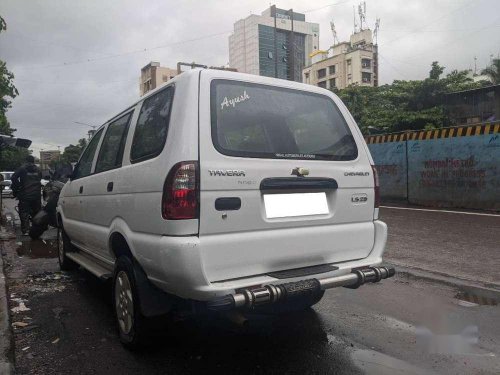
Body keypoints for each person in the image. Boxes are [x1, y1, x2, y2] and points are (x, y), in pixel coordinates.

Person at [11, 155, 42, 235]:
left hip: (25, 194)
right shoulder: (38, 169)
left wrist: (17, 187)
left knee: (24, 212)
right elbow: (39, 179)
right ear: (33, 161)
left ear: (26, 160)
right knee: (37, 212)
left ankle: (26, 230)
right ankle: (37, 230)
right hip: (36, 195)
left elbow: (13, 177)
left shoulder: (22, 168)